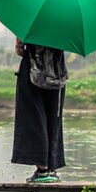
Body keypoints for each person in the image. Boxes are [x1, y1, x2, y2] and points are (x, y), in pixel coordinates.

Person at [11, 38, 66, 183]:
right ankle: (51, 167)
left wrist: (19, 44)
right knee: (54, 117)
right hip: (56, 68)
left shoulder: (33, 16)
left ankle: (42, 169)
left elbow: (21, 47)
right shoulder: (65, 19)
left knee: (32, 117)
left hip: (34, 67)